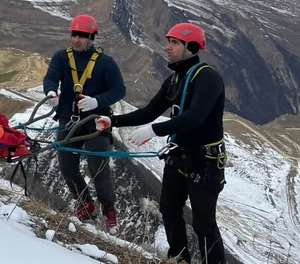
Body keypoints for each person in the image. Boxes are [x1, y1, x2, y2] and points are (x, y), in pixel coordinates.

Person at [95, 22, 227, 264]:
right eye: (169, 41)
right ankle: (178, 259)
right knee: (169, 210)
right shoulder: (176, 78)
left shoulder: (208, 78)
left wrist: (155, 130)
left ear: (192, 47)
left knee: (204, 224)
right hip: (180, 156)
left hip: (204, 162)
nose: (168, 47)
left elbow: (195, 118)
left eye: (175, 42)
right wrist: (112, 121)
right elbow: (150, 111)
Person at [42, 14, 126, 232]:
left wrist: (98, 101)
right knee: (67, 166)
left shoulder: (106, 63)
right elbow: (51, 76)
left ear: (91, 38)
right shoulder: (62, 57)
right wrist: (51, 91)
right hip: (69, 119)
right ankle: (84, 204)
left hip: (95, 121)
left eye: (82, 36)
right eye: (74, 35)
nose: (76, 39)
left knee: (98, 168)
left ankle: (109, 210)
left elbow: (119, 89)